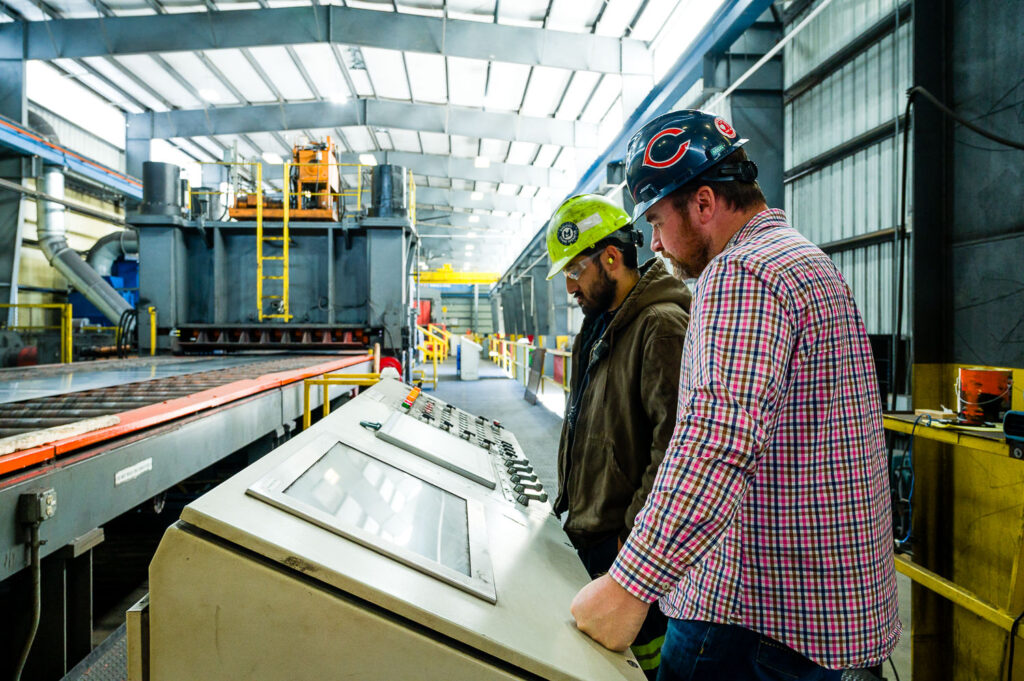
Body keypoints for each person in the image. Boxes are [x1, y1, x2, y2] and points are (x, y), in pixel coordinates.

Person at [569, 110, 901, 680]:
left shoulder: (741, 273)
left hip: (755, 610)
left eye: (656, 219)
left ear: (702, 204)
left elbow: (714, 441)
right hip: (822, 605)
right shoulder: (806, 259)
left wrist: (629, 586)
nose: (654, 242)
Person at [544, 193, 691, 679]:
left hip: (625, 550)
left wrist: (633, 549)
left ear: (611, 258)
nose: (570, 287)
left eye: (574, 271)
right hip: (594, 533)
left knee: (637, 663)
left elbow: (671, 451)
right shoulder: (600, 324)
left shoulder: (661, 325)